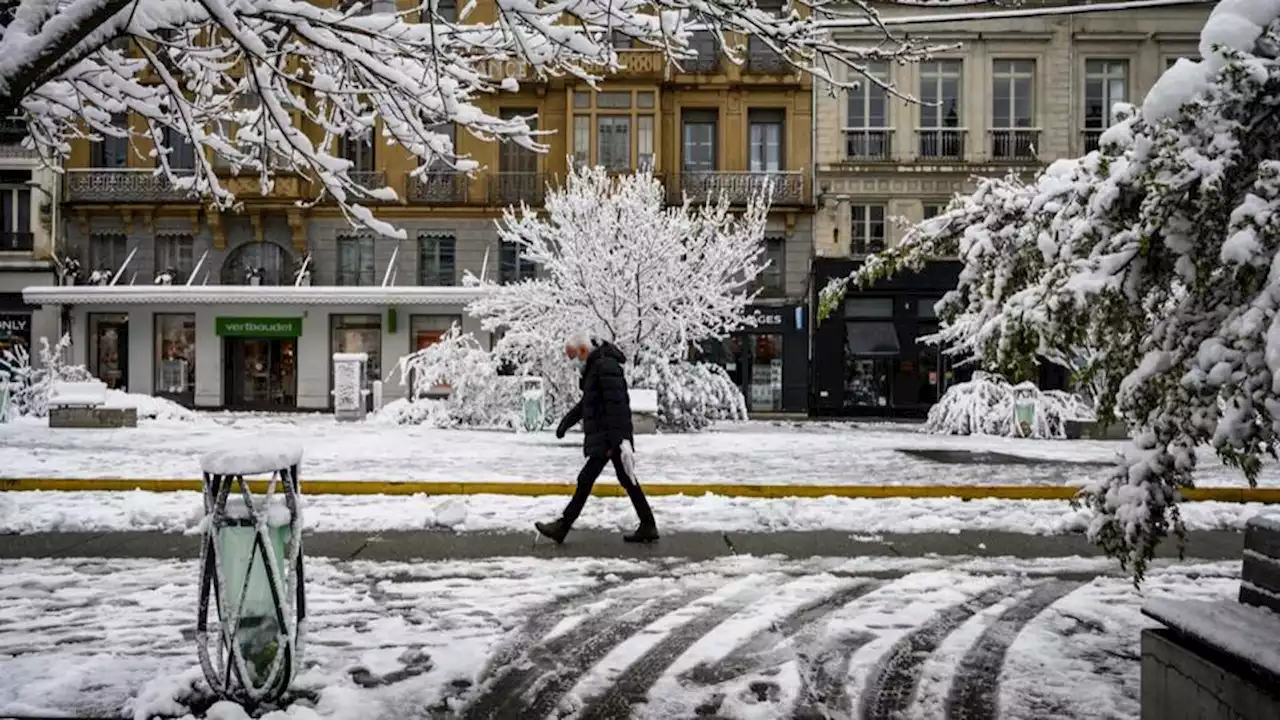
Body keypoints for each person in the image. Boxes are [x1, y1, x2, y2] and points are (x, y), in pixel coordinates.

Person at [535, 331, 658, 544]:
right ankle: (648, 524)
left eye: (574, 357)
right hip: (609, 436)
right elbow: (589, 403)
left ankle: (563, 527)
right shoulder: (598, 367)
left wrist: (616, 441)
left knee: (587, 479)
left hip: (610, 437)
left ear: (584, 350)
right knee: (626, 480)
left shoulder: (604, 367)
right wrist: (566, 423)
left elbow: (616, 406)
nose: (574, 363)